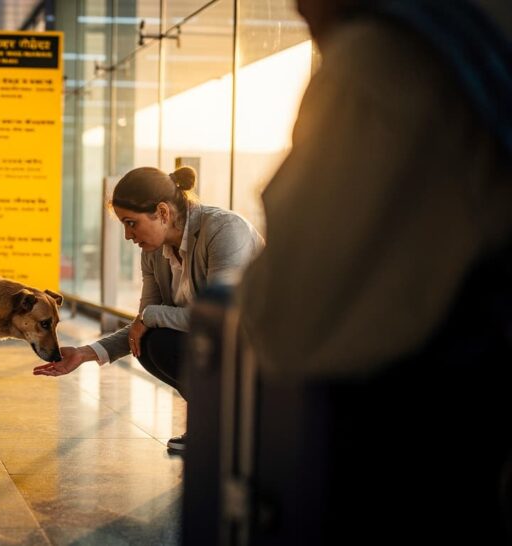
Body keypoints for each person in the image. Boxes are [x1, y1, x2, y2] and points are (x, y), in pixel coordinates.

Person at [236, 0, 511, 542]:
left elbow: (288, 315)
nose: (299, 11)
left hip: (422, 446)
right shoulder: (476, 41)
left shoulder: (380, 62)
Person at [33, 166, 264, 453]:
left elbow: (223, 315)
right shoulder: (153, 253)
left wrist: (151, 317)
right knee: (149, 342)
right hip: (222, 344)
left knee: (155, 333)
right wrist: (85, 353)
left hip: (261, 344)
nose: (128, 235)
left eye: (131, 223)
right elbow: (142, 326)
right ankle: (214, 422)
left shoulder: (224, 231)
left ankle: (246, 422)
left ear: (163, 213)